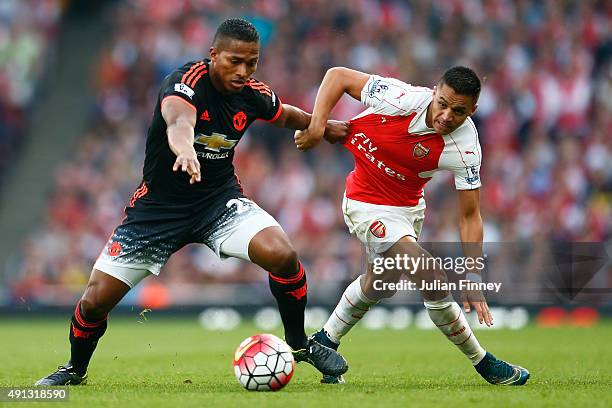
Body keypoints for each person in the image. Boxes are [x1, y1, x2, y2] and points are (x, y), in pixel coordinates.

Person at [35, 18, 348, 386]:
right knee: (94, 300)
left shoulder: (252, 92)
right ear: (213, 55)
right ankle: (75, 369)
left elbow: (284, 114)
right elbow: (178, 122)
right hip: (157, 211)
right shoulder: (185, 85)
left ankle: (298, 344)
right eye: (234, 61)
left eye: (252, 63)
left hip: (217, 202)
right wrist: (184, 150)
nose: (243, 71)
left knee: (282, 254)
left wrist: (321, 127)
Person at [294, 66, 530, 385]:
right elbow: (337, 76)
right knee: (430, 274)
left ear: (472, 111)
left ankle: (324, 341)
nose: (447, 115)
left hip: (407, 211)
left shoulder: (466, 147)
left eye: (458, 111)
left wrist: (473, 273)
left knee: (381, 283)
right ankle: (484, 363)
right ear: (434, 92)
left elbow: (470, 215)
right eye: (443, 103)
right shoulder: (402, 98)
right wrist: (318, 125)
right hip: (365, 202)